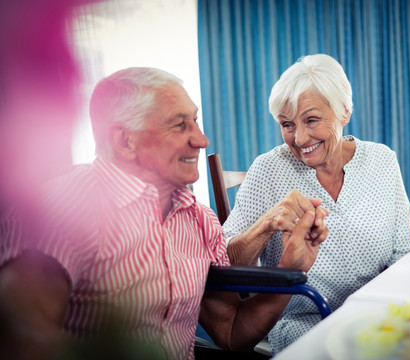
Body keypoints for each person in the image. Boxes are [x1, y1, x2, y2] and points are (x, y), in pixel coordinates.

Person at [0, 67, 324, 360]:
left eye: (195, 121)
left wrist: (289, 271)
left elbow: (230, 334)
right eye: (179, 125)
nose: (201, 139)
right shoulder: (62, 210)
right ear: (124, 141)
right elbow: (20, 340)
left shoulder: (201, 220)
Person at [223, 54, 410, 354]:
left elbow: (404, 254)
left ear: (344, 111)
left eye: (311, 120)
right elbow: (222, 263)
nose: (300, 138)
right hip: (306, 324)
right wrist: (267, 223)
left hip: (378, 320)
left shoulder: (382, 161)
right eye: (287, 125)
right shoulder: (268, 170)